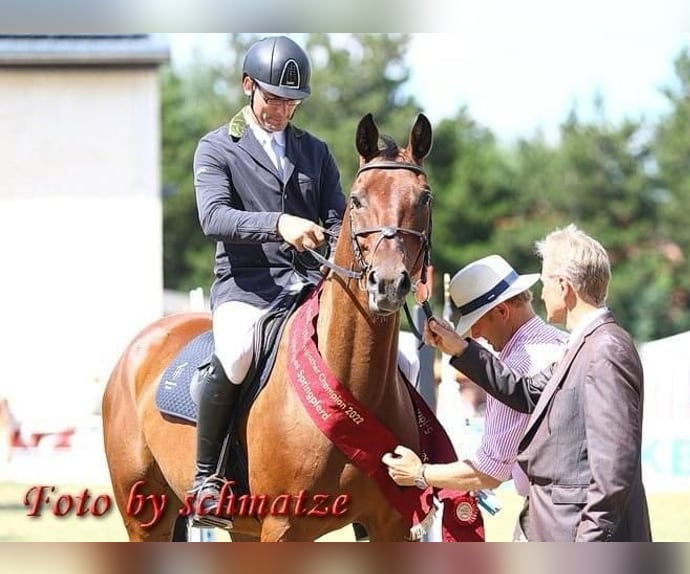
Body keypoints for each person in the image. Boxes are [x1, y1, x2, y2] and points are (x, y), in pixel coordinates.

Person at [191, 35, 346, 529]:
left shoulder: (315, 152)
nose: (282, 110)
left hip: (308, 285)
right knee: (236, 352)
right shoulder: (217, 147)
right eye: (274, 98)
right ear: (247, 86)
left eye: (292, 102)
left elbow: (339, 218)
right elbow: (214, 217)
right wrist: (278, 222)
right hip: (248, 286)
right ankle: (207, 478)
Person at [421, 225, 652, 541]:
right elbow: (525, 392)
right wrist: (460, 349)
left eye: (544, 282)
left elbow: (613, 469)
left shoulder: (605, 348)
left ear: (563, 286)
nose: (541, 294)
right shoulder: (581, 344)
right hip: (552, 525)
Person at [382, 255, 567, 505]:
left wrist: (419, 473)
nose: (475, 334)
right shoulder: (561, 342)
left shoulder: (517, 364)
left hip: (548, 513)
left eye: (476, 322)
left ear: (502, 311)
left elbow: (490, 473)